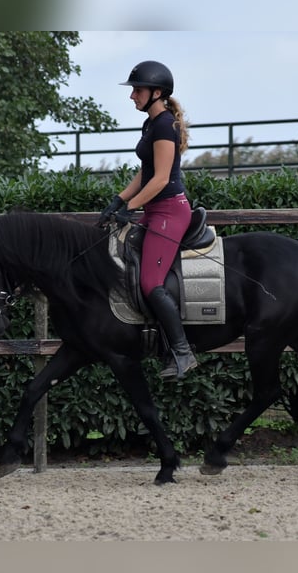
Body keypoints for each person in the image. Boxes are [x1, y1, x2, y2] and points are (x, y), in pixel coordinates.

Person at [98, 60, 197, 380]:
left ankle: (182, 353)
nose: (132, 96)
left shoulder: (165, 125)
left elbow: (161, 179)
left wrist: (131, 208)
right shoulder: (150, 125)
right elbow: (145, 173)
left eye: (137, 90)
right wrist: (120, 199)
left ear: (157, 92)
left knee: (150, 282)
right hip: (155, 210)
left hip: (170, 212)